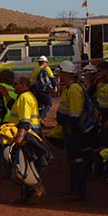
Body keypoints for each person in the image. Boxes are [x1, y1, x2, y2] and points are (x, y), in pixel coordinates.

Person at [57, 60, 90, 201]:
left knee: (77, 161)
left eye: (60, 72)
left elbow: (75, 114)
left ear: (66, 74)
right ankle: (75, 191)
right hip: (71, 129)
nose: (59, 75)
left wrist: (70, 128)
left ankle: (78, 192)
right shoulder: (69, 88)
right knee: (73, 161)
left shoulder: (74, 89)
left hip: (74, 131)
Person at [30, 55, 56, 120]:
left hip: (36, 90)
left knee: (39, 106)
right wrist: (54, 86)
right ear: (44, 62)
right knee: (48, 104)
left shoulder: (36, 69)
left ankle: (37, 120)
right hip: (45, 91)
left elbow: (31, 81)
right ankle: (40, 118)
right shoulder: (47, 68)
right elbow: (52, 78)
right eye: (46, 62)